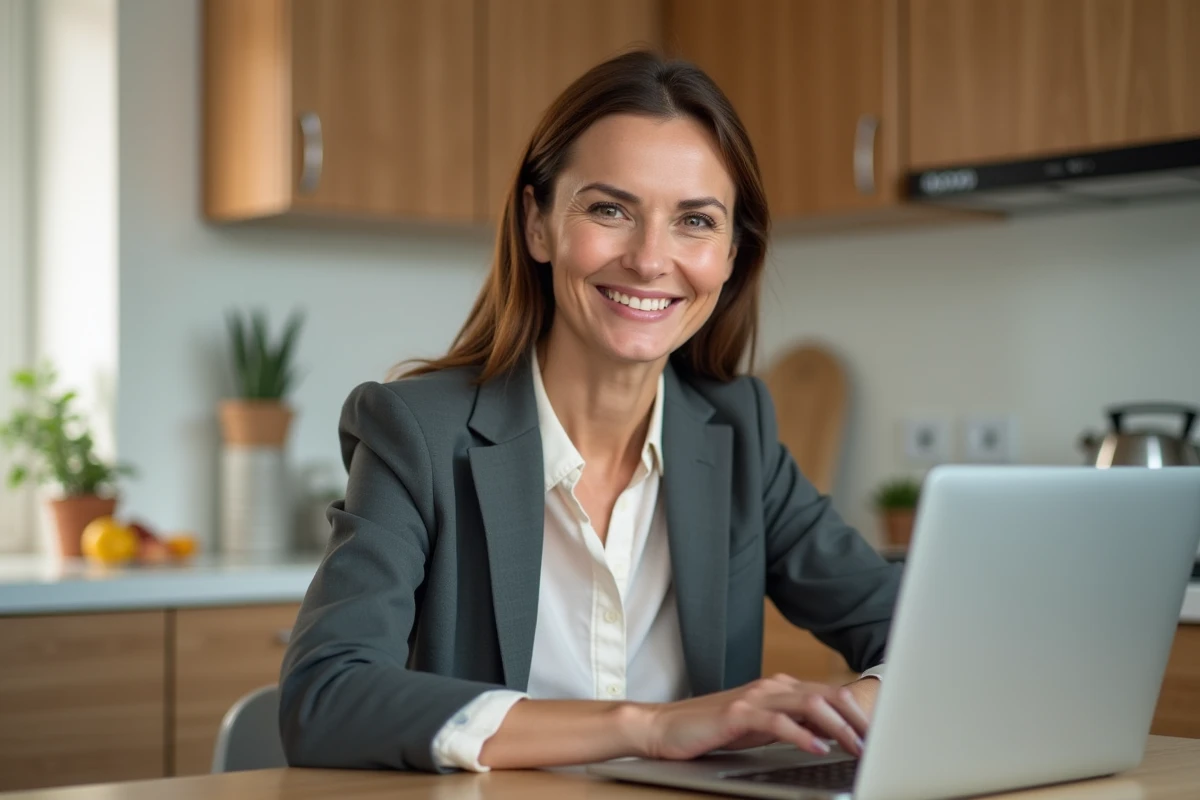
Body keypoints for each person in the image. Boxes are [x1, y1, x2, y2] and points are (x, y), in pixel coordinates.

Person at [279, 50, 901, 774]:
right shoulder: (416, 432)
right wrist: (649, 726)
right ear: (537, 224)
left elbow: (925, 635)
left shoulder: (739, 435)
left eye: (695, 221)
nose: (648, 259)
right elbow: (326, 697)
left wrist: (849, 710)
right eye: (610, 210)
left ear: (732, 255)